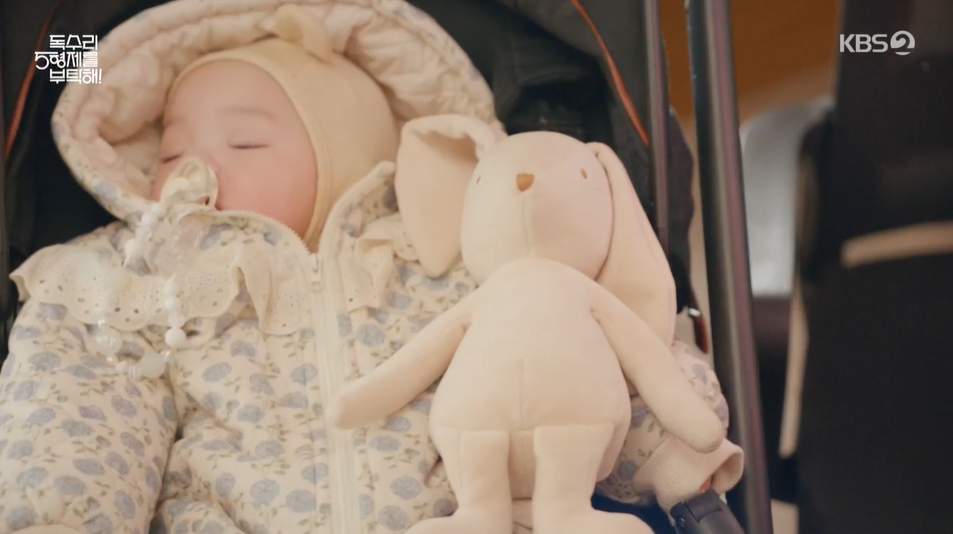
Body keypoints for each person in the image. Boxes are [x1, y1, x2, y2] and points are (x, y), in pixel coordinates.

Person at [0, 2, 740, 533]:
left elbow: (576, 358)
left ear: (353, 156)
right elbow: (81, 410)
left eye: (245, 144)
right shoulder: (135, 276)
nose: (194, 167)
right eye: (169, 151)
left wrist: (675, 453)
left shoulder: (450, 254)